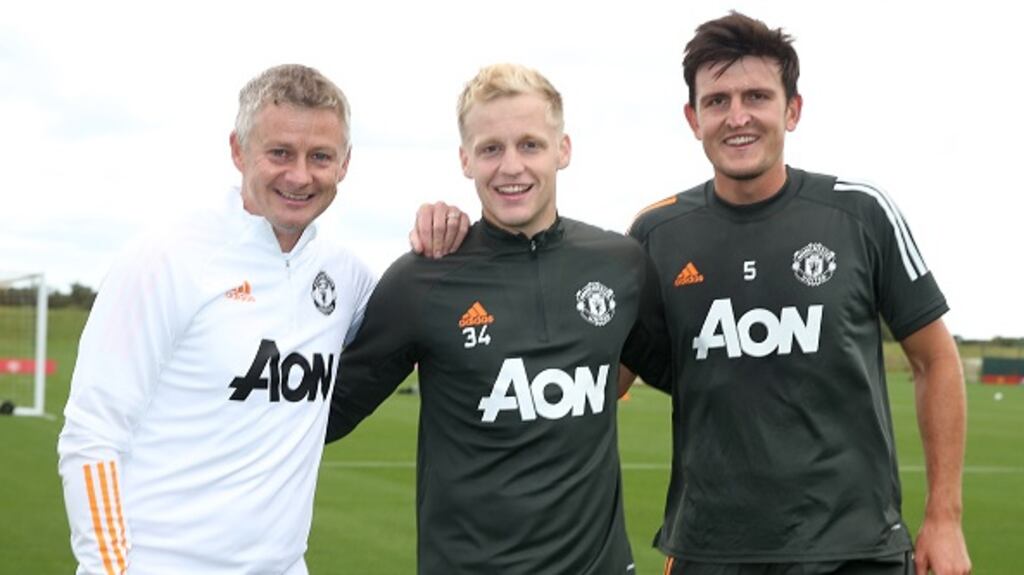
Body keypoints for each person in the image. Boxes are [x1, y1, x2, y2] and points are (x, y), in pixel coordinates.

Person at [57, 64, 463, 574]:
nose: (299, 175)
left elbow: (422, 321)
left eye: (320, 157)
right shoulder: (167, 259)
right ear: (237, 150)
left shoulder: (345, 276)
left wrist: (447, 230)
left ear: (345, 164)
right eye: (279, 153)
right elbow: (92, 435)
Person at [625, 12, 971, 575]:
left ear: (792, 109)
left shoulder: (860, 213)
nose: (737, 117)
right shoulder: (655, 235)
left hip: (856, 551)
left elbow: (935, 360)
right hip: (711, 553)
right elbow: (599, 381)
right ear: (693, 118)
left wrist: (945, 518)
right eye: (717, 101)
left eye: (757, 96)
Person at [326, 63, 668, 574]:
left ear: (563, 149)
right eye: (491, 149)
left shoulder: (621, 265)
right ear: (466, 160)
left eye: (530, 144)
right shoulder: (423, 280)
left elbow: (696, 378)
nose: (511, 166)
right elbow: (320, 414)